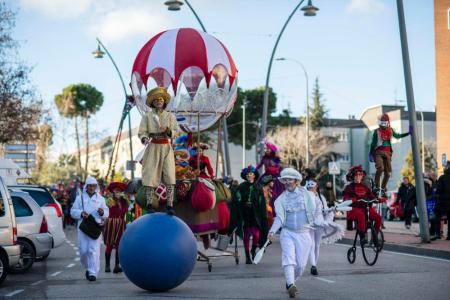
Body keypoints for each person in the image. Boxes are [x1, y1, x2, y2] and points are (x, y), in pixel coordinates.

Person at [267, 168, 318, 298]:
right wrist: (272, 231)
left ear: (296, 181)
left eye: (290, 179)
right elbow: (279, 218)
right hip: (287, 233)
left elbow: (316, 210)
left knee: (300, 265)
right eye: (285, 180)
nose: (288, 182)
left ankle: (291, 280)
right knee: (288, 259)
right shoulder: (280, 200)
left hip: (304, 233)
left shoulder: (307, 195)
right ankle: (290, 284)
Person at [138, 87, 179, 215]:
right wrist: (144, 138)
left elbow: (176, 132)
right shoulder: (147, 116)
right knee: (150, 175)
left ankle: (170, 205)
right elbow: (142, 131)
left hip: (166, 147)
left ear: (164, 102)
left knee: (170, 176)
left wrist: (167, 130)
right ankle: (150, 204)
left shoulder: (170, 116)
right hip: (153, 147)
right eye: (156, 100)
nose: (158, 102)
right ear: (152, 103)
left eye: (161, 100)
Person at [70, 176, 109, 281]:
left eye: (94, 186)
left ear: (96, 187)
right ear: (86, 187)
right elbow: (72, 211)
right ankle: (88, 267)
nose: (92, 188)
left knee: (93, 250)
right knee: (83, 251)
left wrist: (102, 212)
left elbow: (106, 212)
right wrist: (81, 213)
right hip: (83, 228)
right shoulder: (80, 198)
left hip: (95, 227)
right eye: (90, 186)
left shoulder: (100, 199)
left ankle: (93, 272)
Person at [229, 165, 268, 264]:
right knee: (246, 235)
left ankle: (253, 249)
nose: (250, 176)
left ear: (254, 175)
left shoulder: (258, 187)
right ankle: (247, 256)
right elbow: (237, 197)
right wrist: (238, 198)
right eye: (248, 174)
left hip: (255, 214)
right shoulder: (241, 186)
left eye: (251, 174)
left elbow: (261, 201)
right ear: (245, 176)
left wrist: (262, 213)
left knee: (256, 235)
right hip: (245, 213)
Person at [369, 113, 410, 198]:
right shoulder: (377, 131)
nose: (383, 125)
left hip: (388, 153)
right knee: (380, 168)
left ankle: (383, 189)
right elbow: (373, 143)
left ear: (388, 123)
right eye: (382, 123)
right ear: (379, 123)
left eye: (385, 123)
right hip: (378, 152)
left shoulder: (390, 130)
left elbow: (397, 136)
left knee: (387, 173)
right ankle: (376, 186)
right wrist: (370, 153)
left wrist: (408, 133)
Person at [343, 165, 381, 246]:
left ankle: (375, 237)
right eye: (357, 175)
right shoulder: (349, 187)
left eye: (360, 175)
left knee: (378, 217)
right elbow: (345, 199)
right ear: (353, 176)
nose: (359, 176)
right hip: (354, 209)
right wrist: (350, 199)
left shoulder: (365, 187)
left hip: (365, 208)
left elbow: (372, 196)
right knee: (361, 215)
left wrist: (378, 200)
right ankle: (363, 237)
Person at [103, 182, 128, 274]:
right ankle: (107, 265)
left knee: (119, 245)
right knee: (109, 244)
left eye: (119, 191)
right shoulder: (110, 201)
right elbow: (107, 211)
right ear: (113, 192)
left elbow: (126, 212)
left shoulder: (124, 201)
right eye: (116, 191)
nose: (117, 193)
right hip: (111, 223)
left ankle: (117, 265)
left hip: (121, 223)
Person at [256, 140, 284, 206]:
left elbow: (279, 167)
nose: (267, 150)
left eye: (268, 149)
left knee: (276, 190)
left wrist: (275, 170)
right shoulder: (264, 158)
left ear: (271, 150)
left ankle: (275, 203)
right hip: (266, 175)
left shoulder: (276, 158)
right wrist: (253, 170)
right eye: (266, 149)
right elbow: (259, 165)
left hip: (275, 176)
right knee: (259, 187)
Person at [435, 162, 450, 240]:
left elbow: (438, 190)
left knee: (438, 216)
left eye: (446, 166)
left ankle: (438, 234)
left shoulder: (442, 177)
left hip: (442, 202)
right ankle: (449, 235)